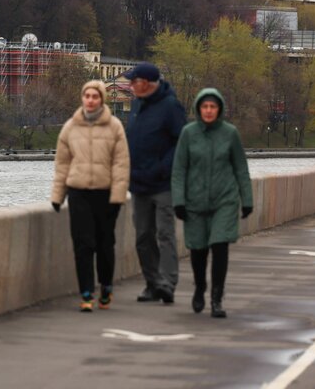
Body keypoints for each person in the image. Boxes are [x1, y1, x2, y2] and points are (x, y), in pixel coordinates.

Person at [171, 88, 253, 318]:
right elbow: (179, 170)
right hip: (194, 201)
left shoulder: (230, 134)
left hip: (224, 201)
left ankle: (217, 297)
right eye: (205, 107)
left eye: (213, 107)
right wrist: (178, 201)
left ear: (219, 109)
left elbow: (241, 169)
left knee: (219, 246)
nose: (208, 111)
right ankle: (200, 287)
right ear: (198, 109)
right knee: (197, 250)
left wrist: (247, 200)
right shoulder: (188, 134)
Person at [51, 80, 130, 312]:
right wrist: (57, 195)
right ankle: (86, 291)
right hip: (78, 192)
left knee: (105, 243)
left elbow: (121, 164)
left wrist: (118, 196)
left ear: (102, 99)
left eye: (95, 96)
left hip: (105, 193)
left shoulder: (115, 126)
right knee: (83, 243)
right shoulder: (70, 127)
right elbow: (62, 164)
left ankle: (105, 286)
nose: (91, 100)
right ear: (82, 98)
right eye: (87, 96)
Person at [123, 62, 187, 304]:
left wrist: (162, 168)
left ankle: (168, 284)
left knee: (165, 234)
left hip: (163, 184)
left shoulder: (170, 106)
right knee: (142, 236)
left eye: (134, 81)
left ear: (147, 84)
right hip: (139, 183)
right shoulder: (138, 104)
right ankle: (153, 284)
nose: (130, 86)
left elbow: (181, 143)